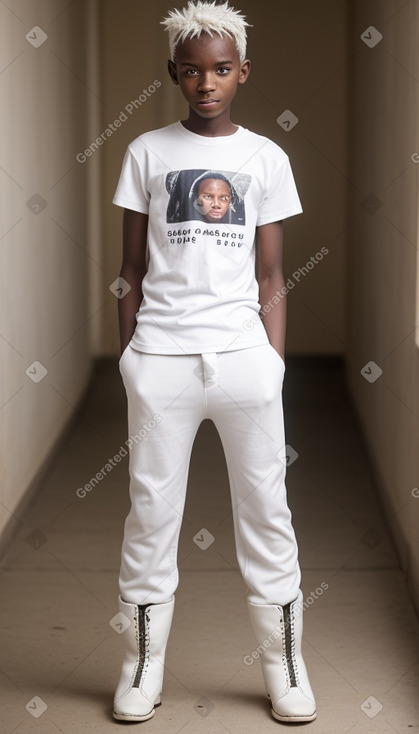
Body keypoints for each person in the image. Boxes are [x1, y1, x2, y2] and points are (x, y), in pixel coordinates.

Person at [112, 0, 316, 724]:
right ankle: (142, 668)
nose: (207, 82)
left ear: (242, 74)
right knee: (150, 514)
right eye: (193, 70)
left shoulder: (265, 158)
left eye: (221, 69)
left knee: (266, 511)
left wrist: (273, 368)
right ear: (174, 74)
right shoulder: (144, 152)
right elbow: (130, 271)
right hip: (160, 358)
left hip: (242, 362)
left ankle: (284, 667)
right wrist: (131, 358)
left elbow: (270, 278)